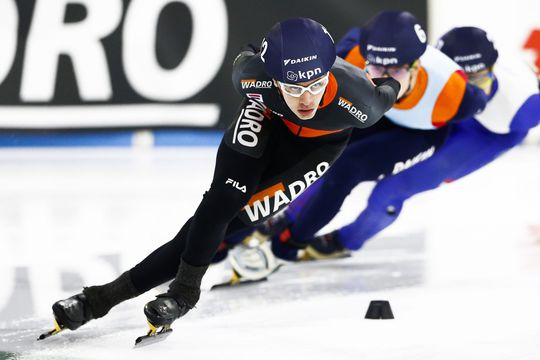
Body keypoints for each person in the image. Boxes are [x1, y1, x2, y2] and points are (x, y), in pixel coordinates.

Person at [43, 17, 400, 339]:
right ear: (272, 77)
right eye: (292, 88)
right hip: (265, 120)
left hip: (315, 149)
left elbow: (390, 86)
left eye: (315, 85)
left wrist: (394, 80)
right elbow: (247, 53)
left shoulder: (361, 104)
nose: (305, 99)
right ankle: (181, 293)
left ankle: (102, 298)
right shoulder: (250, 76)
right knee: (219, 204)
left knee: (224, 226)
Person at [250, 10, 488, 261]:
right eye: (375, 66)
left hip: (418, 134)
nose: (383, 78)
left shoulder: (457, 94)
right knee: (317, 151)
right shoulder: (351, 53)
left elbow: (484, 102)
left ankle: (292, 241)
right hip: (376, 112)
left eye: (395, 70)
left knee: (349, 170)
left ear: (417, 67)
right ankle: (286, 218)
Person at [302, 27, 540, 259]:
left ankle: (345, 241)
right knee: (346, 153)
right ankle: (293, 219)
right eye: (461, 81)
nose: (471, 91)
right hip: (447, 111)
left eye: (477, 79)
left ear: (492, 69)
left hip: (486, 134)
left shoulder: (524, 106)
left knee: (391, 190)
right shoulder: (439, 76)